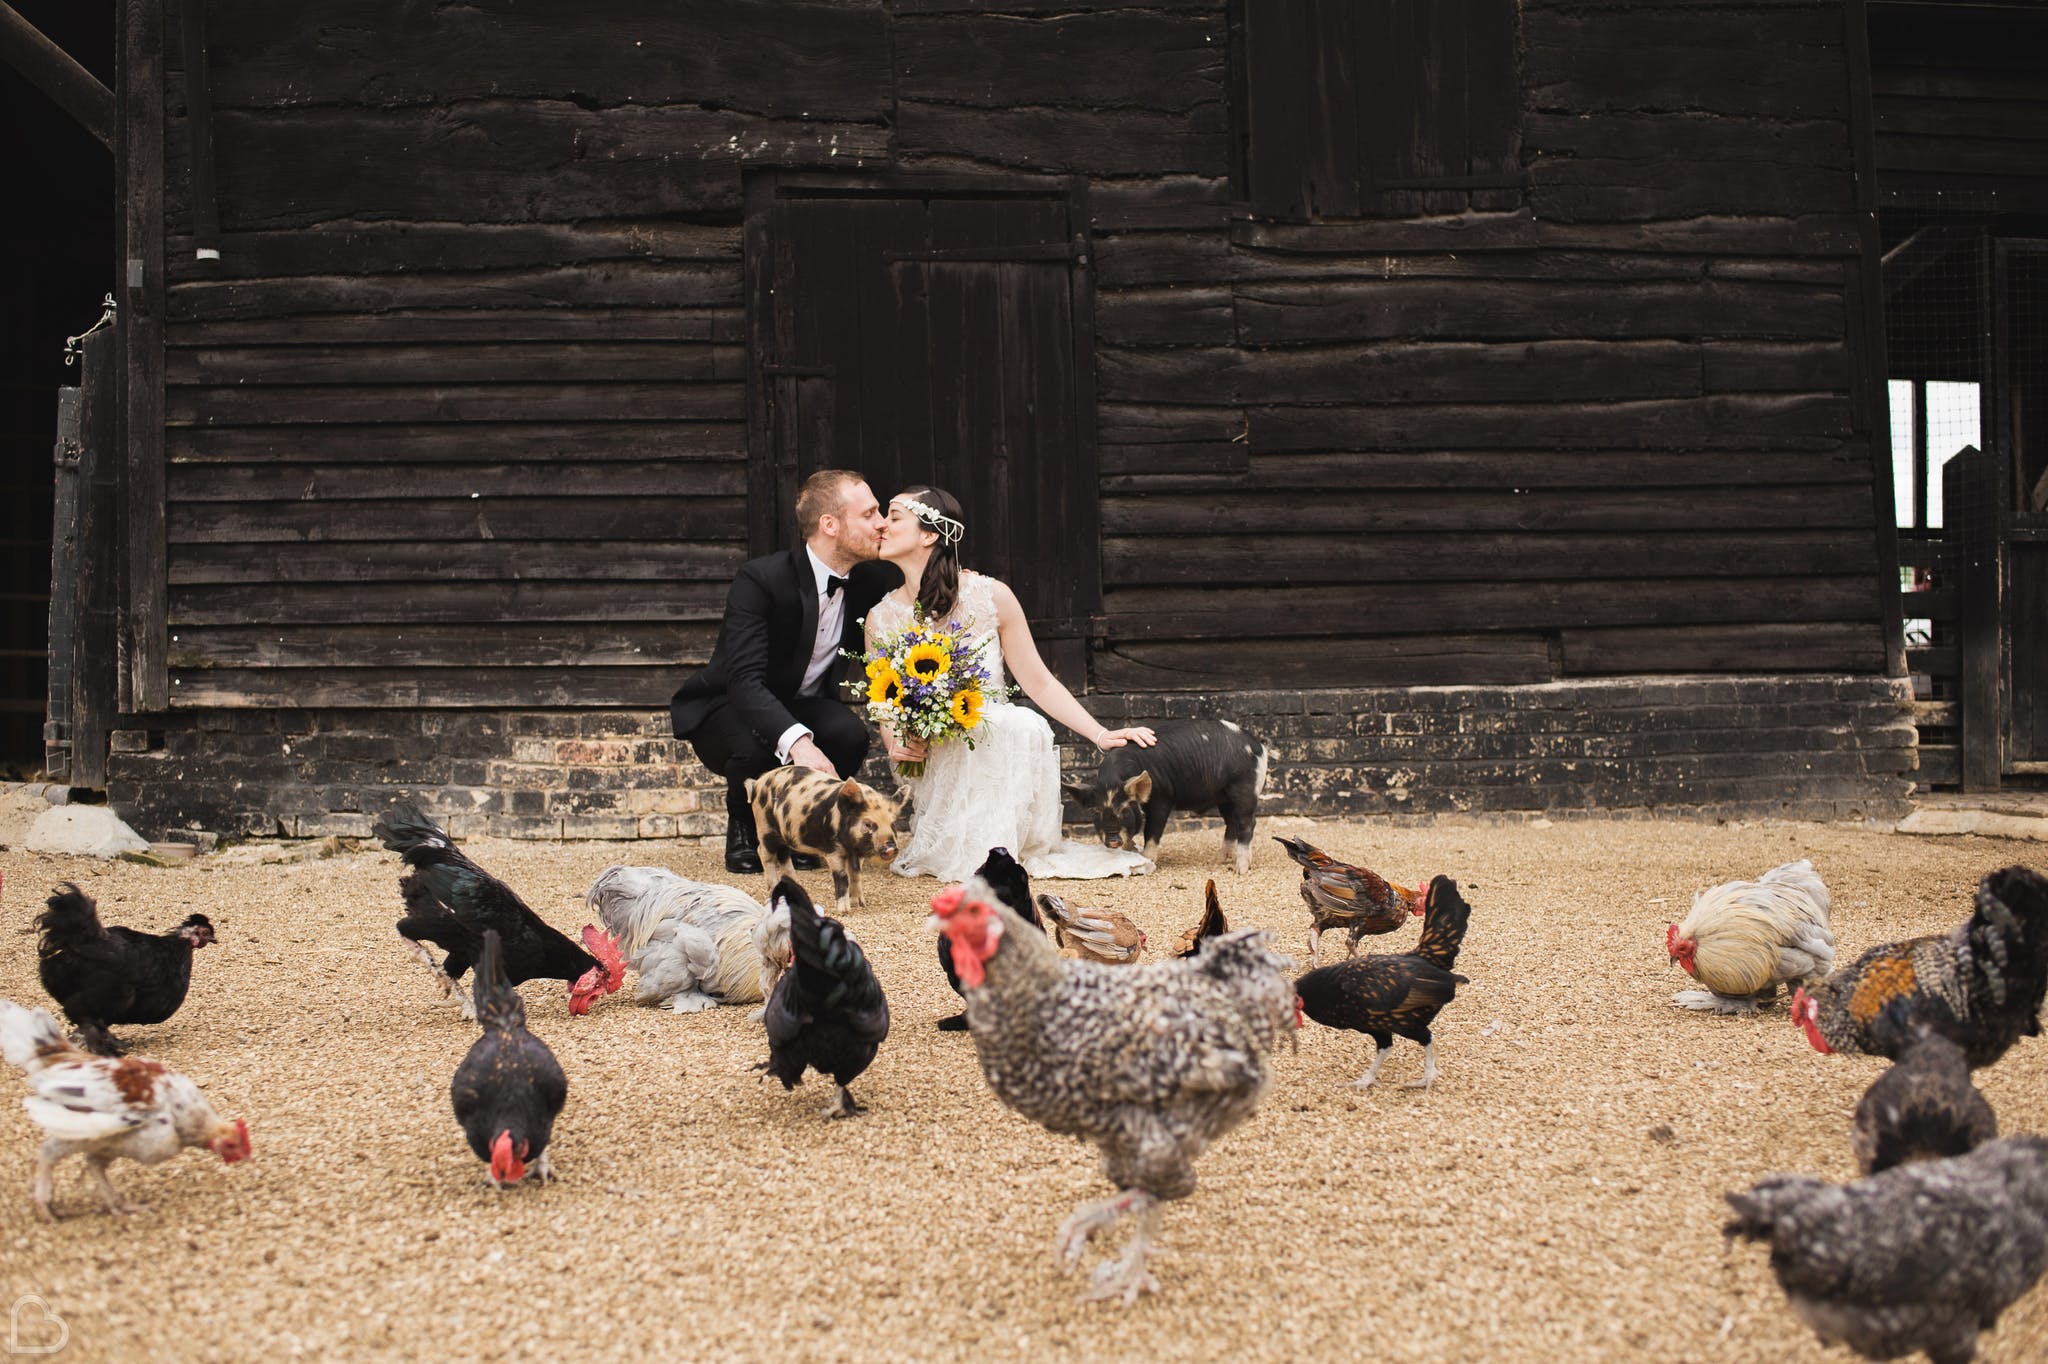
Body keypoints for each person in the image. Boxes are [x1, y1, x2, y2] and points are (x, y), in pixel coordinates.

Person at [866, 485, 1156, 882]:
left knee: (1015, 721)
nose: (882, 524)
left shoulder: (991, 596)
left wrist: (1101, 734)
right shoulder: (881, 618)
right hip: (938, 752)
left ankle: (1000, 849)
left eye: (894, 516)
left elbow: (1038, 681)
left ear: (929, 534)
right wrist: (896, 742)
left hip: (996, 741)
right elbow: (886, 706)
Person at [671, 470, 901, 874]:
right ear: (830, 524)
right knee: (759, 745)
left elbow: (900, 631)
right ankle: (745, 825)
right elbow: (743, 681)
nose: (882, 522)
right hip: (728, 706)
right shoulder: (760, 579)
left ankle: (804, 827)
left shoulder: (869, 581)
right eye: (869, 514)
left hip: (805, 702)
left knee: (848, 736)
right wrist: (799, 745)